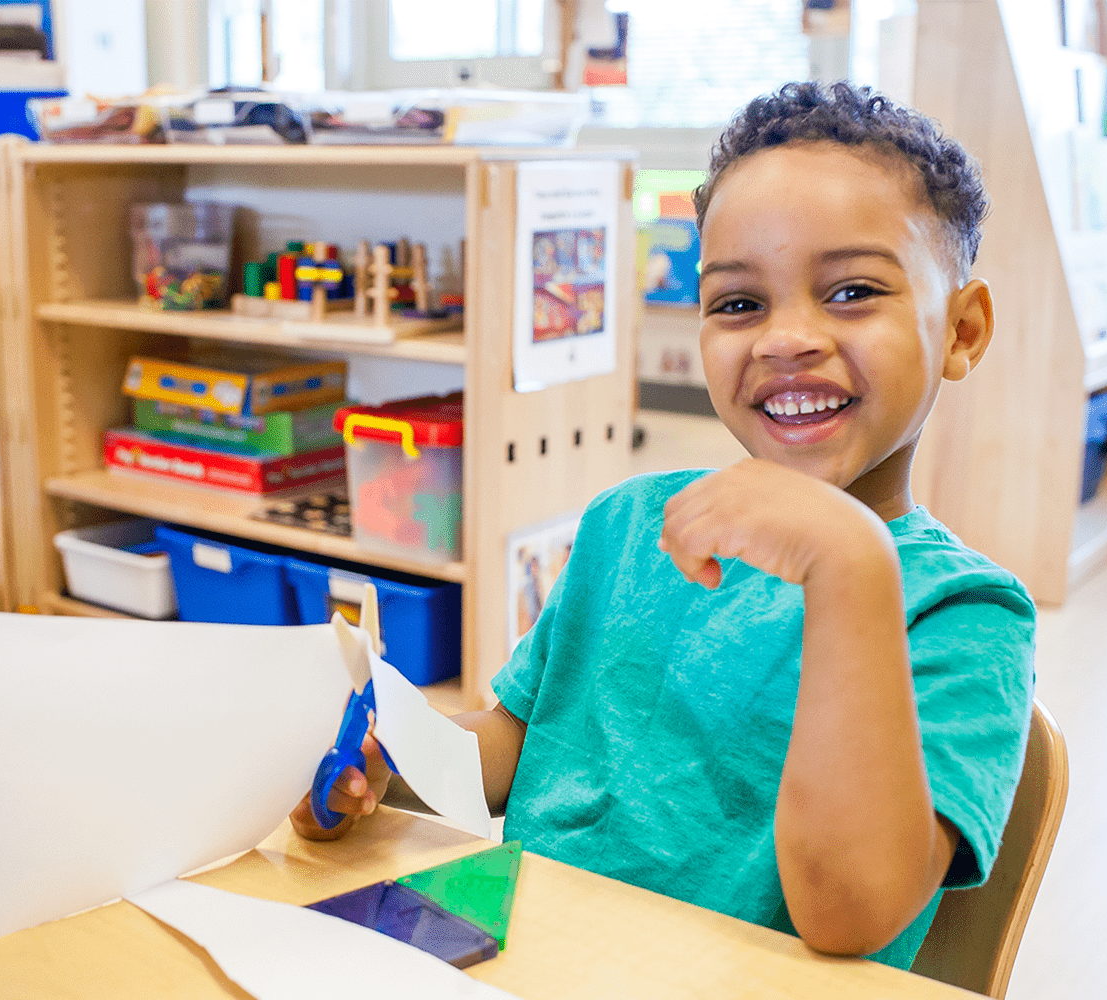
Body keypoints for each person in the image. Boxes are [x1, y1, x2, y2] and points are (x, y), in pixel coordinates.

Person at [291, 81, 1035, 970]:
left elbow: (849, 913)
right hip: (528, 961)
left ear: (962, 330)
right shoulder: (629, 525)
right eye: (738, 303)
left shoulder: (970, 614)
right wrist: (395, 755)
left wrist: (847, 561)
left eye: (850, 292)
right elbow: (517, 747)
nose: (785, 338)